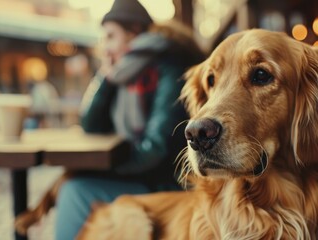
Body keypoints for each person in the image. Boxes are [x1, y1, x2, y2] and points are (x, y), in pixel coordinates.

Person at [54, 0, 205, 239]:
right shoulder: (128, 72)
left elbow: (159, 147)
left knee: (75, 191)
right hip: (151, 175)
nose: (105, 47)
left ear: (134, 31)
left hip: (174, 183)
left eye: (111, 36)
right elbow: (91, 125)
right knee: (74, 185)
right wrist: (106, 77)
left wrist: (109, 168)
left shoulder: (170, 65)